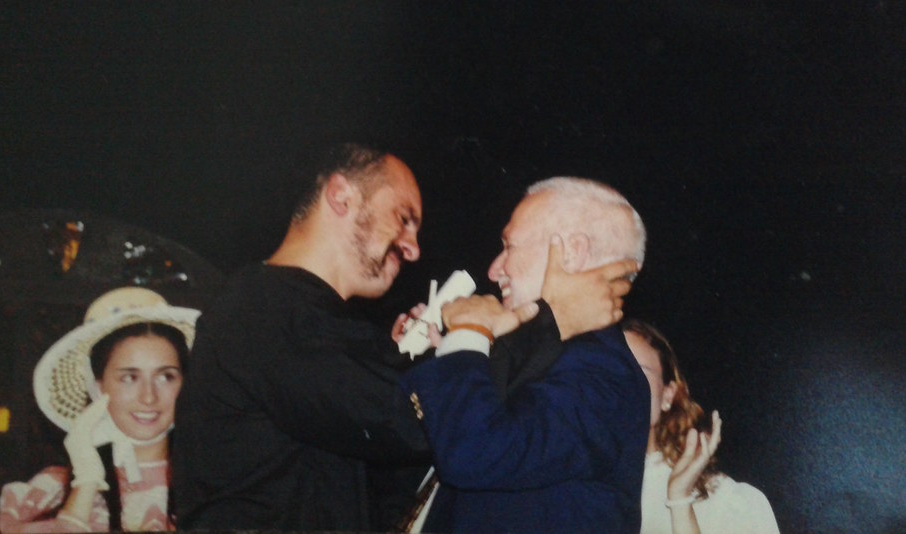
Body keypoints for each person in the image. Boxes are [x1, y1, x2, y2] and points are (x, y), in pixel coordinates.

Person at [172, 145, 634, 532]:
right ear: (340, 196)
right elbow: (406, 421)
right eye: (404, 217)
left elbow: (401, 466)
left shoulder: (313, 324)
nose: (413, 248)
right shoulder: (266, 310)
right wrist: (548, 322)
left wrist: (416, 361)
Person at [398, 176, 651, 533]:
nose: (494, 268)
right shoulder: (538, 352)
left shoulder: (603, 372)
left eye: (509, 246)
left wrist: (469, 332)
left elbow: (474, 451)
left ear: (571, 252)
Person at [0, 287, 199, 532]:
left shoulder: (212, 484)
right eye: (129, 378)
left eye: (166, 377)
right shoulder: (49, 490)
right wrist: (86, 481)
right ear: (98, 387)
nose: (149, 397)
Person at [623, 318, 780, 534]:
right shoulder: (568, 492)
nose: (617, 385)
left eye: (636, 371)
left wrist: (679, 502)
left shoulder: (722, 500)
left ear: (667, 396)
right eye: (602, 374)